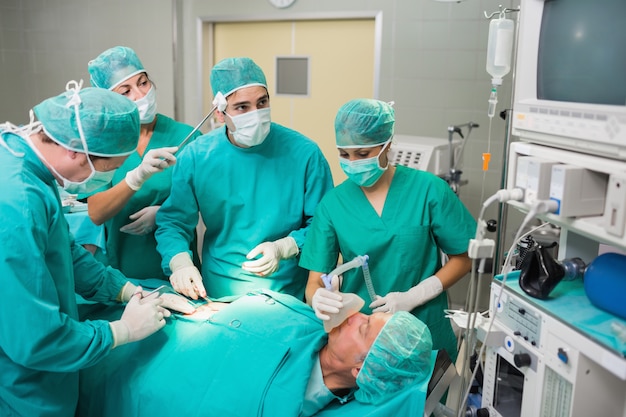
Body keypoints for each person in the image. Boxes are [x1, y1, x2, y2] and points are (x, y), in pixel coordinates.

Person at [0, 81, 173, 417]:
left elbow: (64, 250)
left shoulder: (26, 158)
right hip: (18, 390)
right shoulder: (17, 202)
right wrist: (120, 331)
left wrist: (124, 290)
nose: (106, 180)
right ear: (75, 150)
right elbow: (36, 339)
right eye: (108, 168)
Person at [299, 98, 476, 361]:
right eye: (344, 154)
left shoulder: (428, 190)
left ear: (387, 145)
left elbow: (465, 257)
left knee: (427, 400)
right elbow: (315, 282)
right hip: (361, 339)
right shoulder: (332, 204)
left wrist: (415, 296)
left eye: (362, 154)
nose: (352, 163)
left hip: (423, 329)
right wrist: (318, 299)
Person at [77, 289, 434, 417]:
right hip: (151, 311)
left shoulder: (283, 403)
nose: (355, 316)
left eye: (365, 328)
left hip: (127, 365)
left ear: (362, 370)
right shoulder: (307, 324)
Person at [155, 57, 334, 301]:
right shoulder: (197, 157)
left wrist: (285, 247)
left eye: (262, 102)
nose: (256, 114)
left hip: (286, 292)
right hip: (219, 291)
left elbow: (323, 224)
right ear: (220, 113)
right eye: (242, 107)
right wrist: (180, 263)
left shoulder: (305, 154)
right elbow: (174, 222)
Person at [85, 46, 202, 280]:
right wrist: (135, 178)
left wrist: (165, 213)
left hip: (178, 267)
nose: (140, 95)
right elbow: (96, 212)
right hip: (120, 269)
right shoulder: (104, 145)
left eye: (143, 83)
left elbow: (206, 201)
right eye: (125, 91)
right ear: (109, 101)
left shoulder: (187, 137)